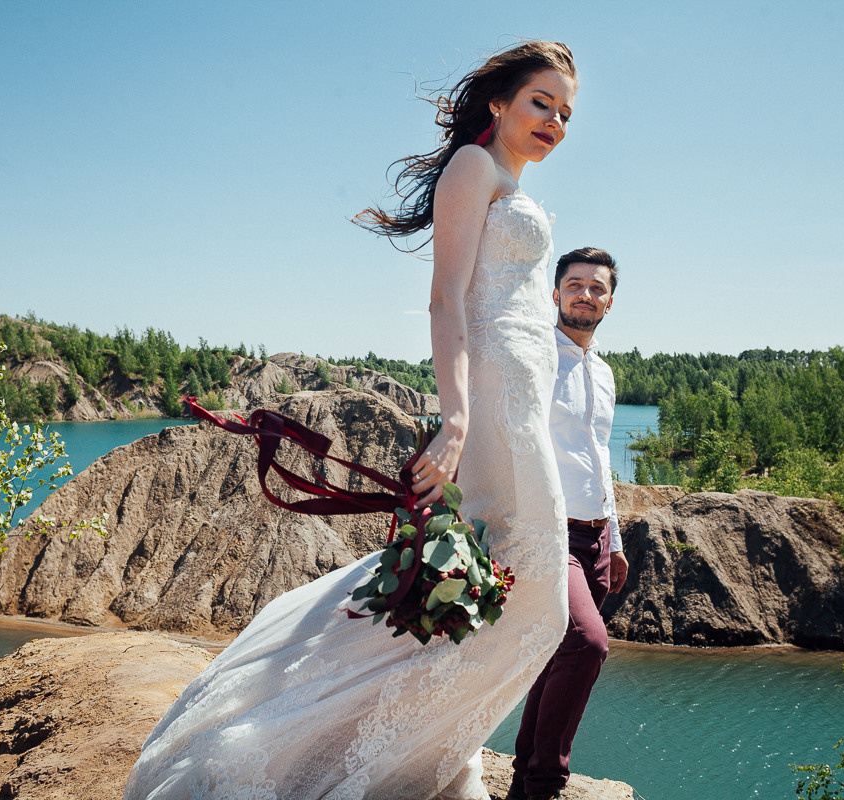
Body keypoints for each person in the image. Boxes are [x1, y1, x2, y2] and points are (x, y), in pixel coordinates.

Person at [124, 40, 579, 800]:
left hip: (524, 409)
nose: (555, 122)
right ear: (499, 101)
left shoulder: (511, 182)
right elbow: (447, 300)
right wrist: (457, 419)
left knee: (500, 591)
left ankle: (404, 749)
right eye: (542, 103)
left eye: (566, 113)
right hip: (495, 409)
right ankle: (326, 744)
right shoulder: (476, 168)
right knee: (531, 600)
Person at [508, 247, 628, 800]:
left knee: (559, 653)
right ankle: (545, 783)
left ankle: (523, 774)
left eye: (597, 287)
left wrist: (616, 538)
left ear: (610, 300)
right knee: (587, 644)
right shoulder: (534, 356)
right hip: (549, 531)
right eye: (575, 284)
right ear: (554, 293)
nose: (586, 294)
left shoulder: (602, 373)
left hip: (597, 537)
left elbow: (598, 456)